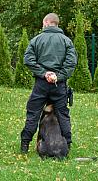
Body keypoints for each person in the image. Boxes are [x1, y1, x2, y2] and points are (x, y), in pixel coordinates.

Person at [20, 13, 77, 154]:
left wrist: (44, 73)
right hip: (59, 85)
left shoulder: (36, 40)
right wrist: (58, 76)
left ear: (46, 22)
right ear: (56, 24)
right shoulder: (66, 41)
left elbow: (28, 59)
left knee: (33, 114)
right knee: (63, 114)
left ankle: (25, 145)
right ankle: (67, 145)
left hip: (41, 84)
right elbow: (71, 63)